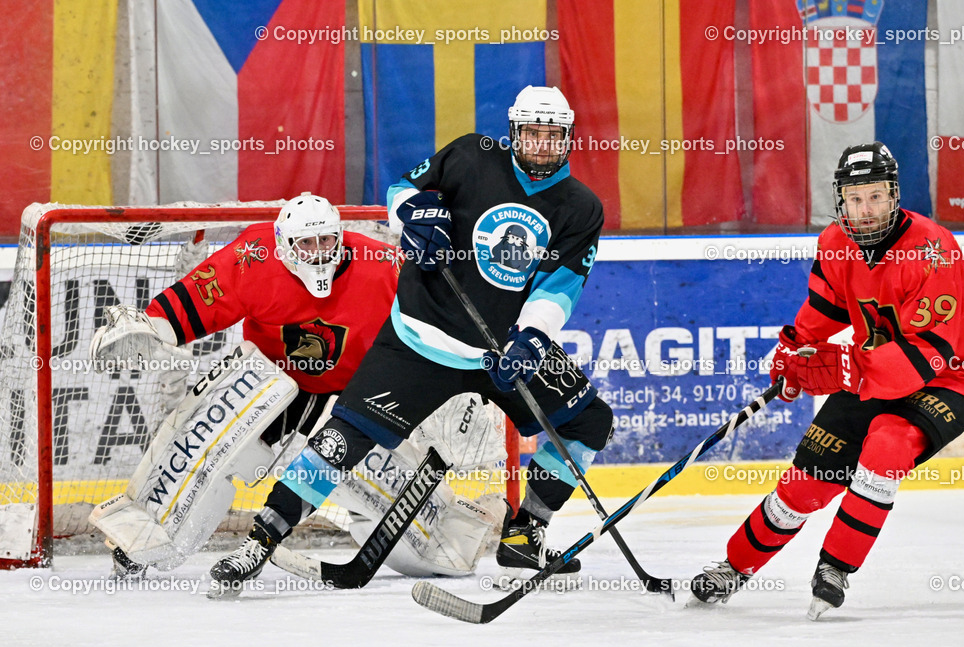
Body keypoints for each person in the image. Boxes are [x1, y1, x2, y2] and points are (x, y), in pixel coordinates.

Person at [208, 84, 613, 590]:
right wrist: (415, 217)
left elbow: (559, 285)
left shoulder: (580, 206)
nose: (542, 144)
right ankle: (260, 541)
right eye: (532, 133)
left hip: (502, 349)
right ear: (513, 132)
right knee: (339, 441)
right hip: (420, 339)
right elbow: (403, 190)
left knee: (589, 421)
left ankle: (524, 534)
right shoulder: (471, 154)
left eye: (553, 135)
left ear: (569, 137)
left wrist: (532, 338)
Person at [689, 142, 964, 619]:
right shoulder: (836, 242)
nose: (865, 209)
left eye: (875, 196)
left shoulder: (932, 249)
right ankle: (734, 567)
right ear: (841, 201)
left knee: (887, 445)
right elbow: (826, 308)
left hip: (953, 376)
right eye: (855, 199)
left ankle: (835, 567)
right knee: (805, 482)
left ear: (894, 195)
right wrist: (793, 351)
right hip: (876, 364)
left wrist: (851, 367)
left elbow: (931, 352)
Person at [94, 193, 401, 578]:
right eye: (306, 242)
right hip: (273, 378)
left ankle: (435, 533)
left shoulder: (384, 264)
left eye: (325, 240)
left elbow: (433, 321)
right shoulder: (253, 257)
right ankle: (148, 533)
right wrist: (151, 325)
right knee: (211, 443)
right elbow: (196, 301)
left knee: (367, 473)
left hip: (356, 387)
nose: (318, 252)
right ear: (283, 244)